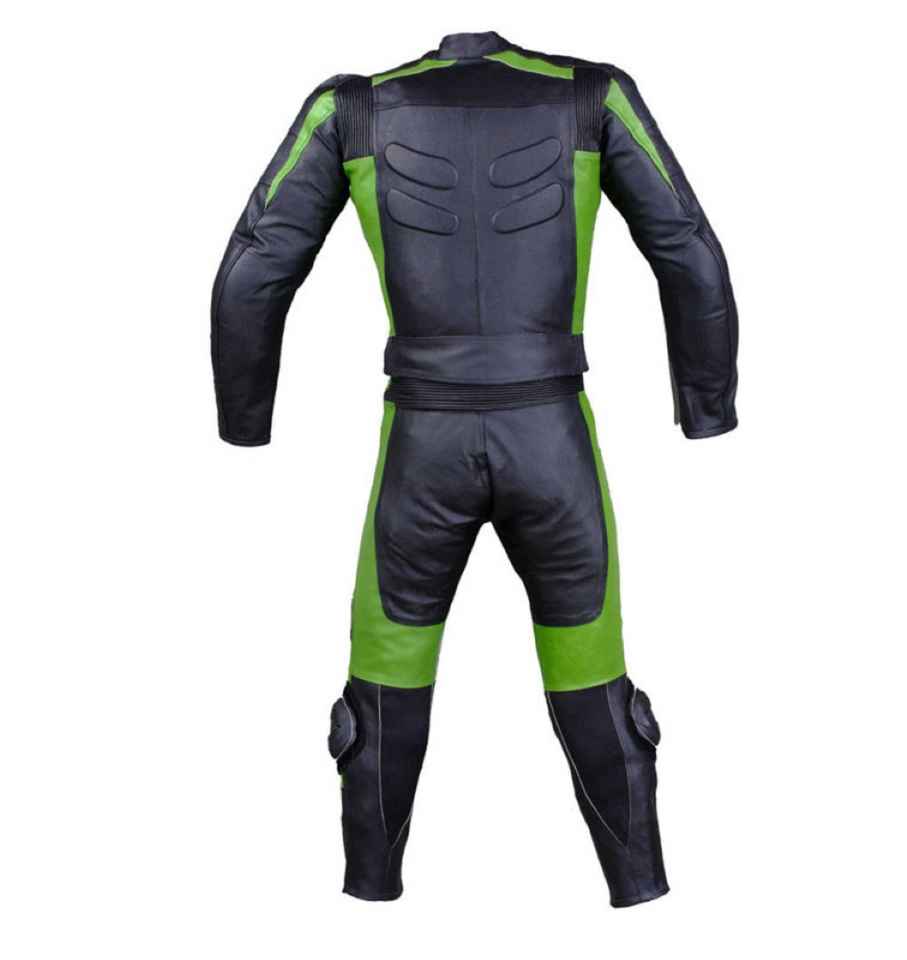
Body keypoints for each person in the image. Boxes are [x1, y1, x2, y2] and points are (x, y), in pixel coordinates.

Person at [211, 31, 738, 907]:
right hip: (552, 438)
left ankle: (370, 894)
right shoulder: (591, 96)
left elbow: (256, 264)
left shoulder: (354, 108)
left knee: (387, 669)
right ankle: (639, 890)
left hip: (422, 441)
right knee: (591, 665)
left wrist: (246, 423)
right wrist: (707, 408)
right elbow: (685, 244)